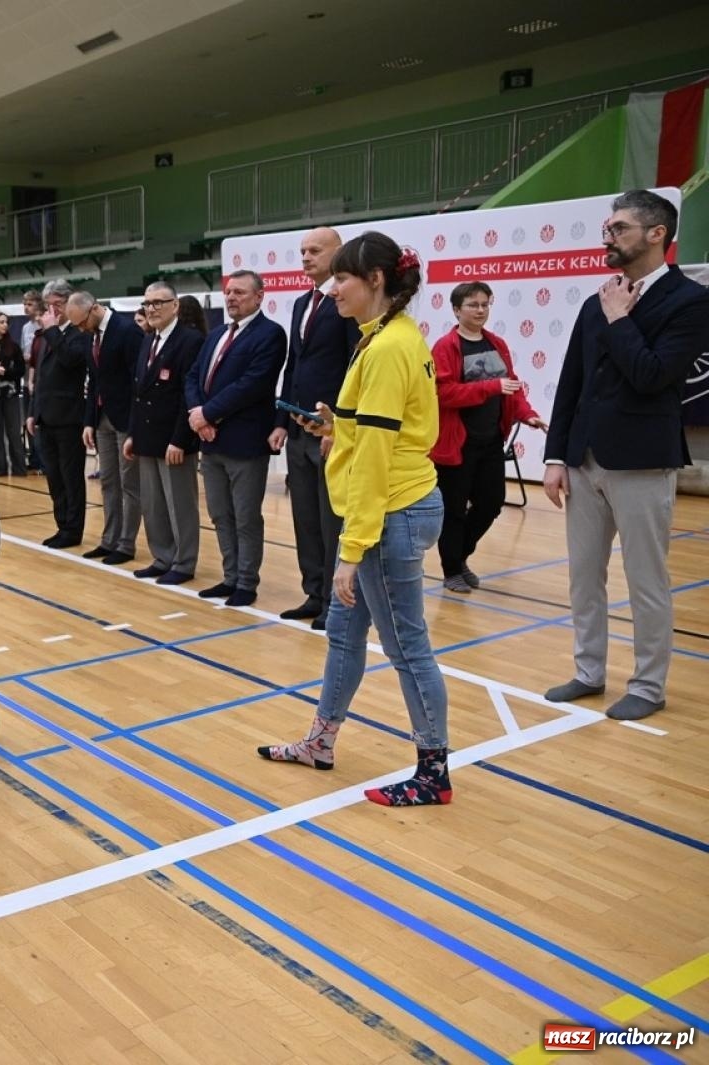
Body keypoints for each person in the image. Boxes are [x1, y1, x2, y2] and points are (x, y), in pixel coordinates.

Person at [259, 232, 450, 808]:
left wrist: (351, 548)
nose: (333, 286)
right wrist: (337, 426)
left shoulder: (389, 347)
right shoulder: (384, 338)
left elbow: (377, 457)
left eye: (343, 277)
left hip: (390, 511)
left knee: (406, 646)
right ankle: (321, 742)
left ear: (376, 282)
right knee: (344, 636)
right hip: (381, 508)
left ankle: (433, 772)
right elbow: (373, 435)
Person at [542, 190, 709, 721]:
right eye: (608, 228)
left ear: (656, 233)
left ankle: (647, 685)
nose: (607, 237)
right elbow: (572, 382)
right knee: (582, 575)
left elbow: (653, 376)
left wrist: (619, 319)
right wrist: (554, 457)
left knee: (646, 579)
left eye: (619, 228)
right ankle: (589, 671)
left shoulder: (690, 301)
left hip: (642, 460)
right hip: (583, 459)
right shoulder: (599, 299)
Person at [271, 227, 361, 629]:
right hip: (297, 427)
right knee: (305, 516)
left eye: (315, 250)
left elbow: (352, 368)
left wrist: (338, 427)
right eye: (302, 251)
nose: (306, 257)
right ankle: (312, 592)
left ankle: (333, 602)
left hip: (328, 431)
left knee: (330, 520)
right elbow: (294, 364)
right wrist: (280, 422)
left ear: (337, 253)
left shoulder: (344, 303)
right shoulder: (301, 304)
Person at [430, 282, 544, 593]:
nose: (480, 310)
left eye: (485, 304)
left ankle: (460, 555)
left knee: (491, 503)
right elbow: (442, 393)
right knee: (453, 510)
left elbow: (511, 387)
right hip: (457, 444)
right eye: (473, 305)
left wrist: (527, 413)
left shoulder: (497, 344)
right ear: (456, 310)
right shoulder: (445, 347)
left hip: (491, 440)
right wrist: (489, 388)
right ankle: (451, 568)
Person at [185, 271, 287, 607]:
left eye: (240, 292)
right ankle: (229, 577)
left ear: (259, 296)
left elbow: (252, 384)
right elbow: (193, 378)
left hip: (244, 442)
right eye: (228, 292)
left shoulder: (270, 334)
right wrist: (199, 416)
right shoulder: (215, 335)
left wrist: (208, 414)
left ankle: (246, 582)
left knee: (245, 516)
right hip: (210, 440)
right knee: (219, 514)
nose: (231, 298)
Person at [124, 282, 204, 585]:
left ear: (176, 306)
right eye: (148, 303)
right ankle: (162, 556)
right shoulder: (148, 340)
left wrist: (180, 439)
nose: (152, 308)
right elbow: (138, 392)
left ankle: (184, 562)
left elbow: (189, 395)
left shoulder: (190, 341)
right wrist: (132, 434)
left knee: (179, 503)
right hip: (146, 437)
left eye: (159, 302)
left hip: (173, 438)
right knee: (154, 504)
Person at [78, 291, 145, 565]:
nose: (80, 328)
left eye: (81, 322)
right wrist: (88, 421)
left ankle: (126, 543)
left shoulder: (127, 331)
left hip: (125, 418)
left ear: (94, 308)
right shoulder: (90, 336)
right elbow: (93, 381)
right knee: (108, 481)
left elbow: (137, 381)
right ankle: (109, 539)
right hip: (102, 416)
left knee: (129, 483)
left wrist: (134, 424)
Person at [28, 278, 87, 546]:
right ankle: (61, 524)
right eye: (49, 305)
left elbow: (70, 361)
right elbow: (40, 378)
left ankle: (73, 530)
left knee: (70, 476)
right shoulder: (45, 335)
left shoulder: (78, 332)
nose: (53, 310)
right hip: (45, 415)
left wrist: (53, 331)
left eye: (58, 304)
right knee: (53, 475)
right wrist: (32, 411)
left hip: (69, 415)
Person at [0, 311, 27, 476]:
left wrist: (6, 373)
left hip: (10, 394)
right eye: (1, 322)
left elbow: (20, 370)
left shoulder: (13, 346)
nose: (5, 325)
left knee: (14, 432)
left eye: (6, 322)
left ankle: (19, 467)